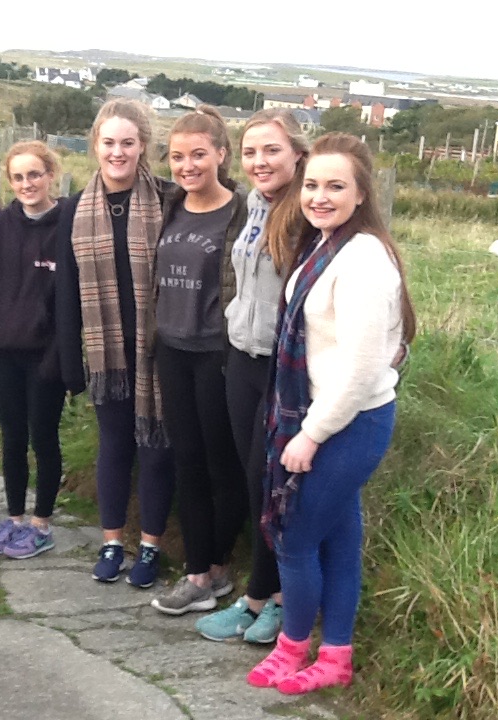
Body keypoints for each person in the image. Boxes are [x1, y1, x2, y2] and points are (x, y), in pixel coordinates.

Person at [245, 132, 416, 694]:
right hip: (325, 417)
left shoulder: (363, 260)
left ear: (361, 193)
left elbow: (362, 370)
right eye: (312, 185)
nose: (320, 197)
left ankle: (292, 648)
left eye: (336, 186)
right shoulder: (328, 244)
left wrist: (311, 434)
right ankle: (336, 655)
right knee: (339, 541)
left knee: (295, 539)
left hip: (349, 423)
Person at [195, 109, 308, 643]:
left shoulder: (307, 211)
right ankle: (264, 594)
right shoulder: (253, 205)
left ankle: (269, 599)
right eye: (250, 152)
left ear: (298, 155)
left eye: (272, 150)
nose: (260, 161)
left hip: (280, 366)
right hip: (241, 356)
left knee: (272, 484)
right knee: (252, 479)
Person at [57, 99, 175, 587]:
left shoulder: (170, 200)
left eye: (128, 142)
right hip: (106, 354)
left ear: (143, 146)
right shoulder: (74, 210)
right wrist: (71, 363)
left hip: (159, 350)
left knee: (156, 449)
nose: (118, 152)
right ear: (95, 145)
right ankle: (111, 542)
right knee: (114, 446)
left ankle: (149, 548)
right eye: (109, 142)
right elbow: (65, 290)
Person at [148, 106, 248, 615]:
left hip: (216, 351)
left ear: (221, 155)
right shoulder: (169, 204)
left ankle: (216, 566)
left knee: (221, 463)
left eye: (198, 155)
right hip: (172, 348)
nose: (187, 166)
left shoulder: (242, 213)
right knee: (186, 460)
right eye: (177, 156)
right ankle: (198, 572)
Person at [0, 141, 66, 559]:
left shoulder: (66, 225)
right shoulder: (4, 224)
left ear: (50, 175)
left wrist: (59, 354)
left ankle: (41, 525)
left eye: (34, 174)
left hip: (45, 355)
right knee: (12, 438)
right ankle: (13, 520)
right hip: (4, 352)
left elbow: (69, 300)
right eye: (18, 177)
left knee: (43, 438)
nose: (26, 184)